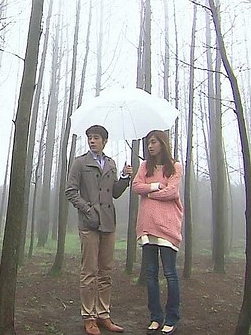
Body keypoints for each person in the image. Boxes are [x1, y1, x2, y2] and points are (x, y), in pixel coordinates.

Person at [65, 124, 133, 335]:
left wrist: (125, 178)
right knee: (89, 272)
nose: (92, 141)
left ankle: (104, 314)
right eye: (90, 138)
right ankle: (89, 317)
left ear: (104, 141)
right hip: (89, 224)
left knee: (106, 272)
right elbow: (70, 191)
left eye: (96, 138)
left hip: (108, 223)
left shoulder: (111, 163)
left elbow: (115, 193)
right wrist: (87, 209)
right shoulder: (80, 162)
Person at [132, 130, 183, 334]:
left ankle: (172, 317)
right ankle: (155, 317)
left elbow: (172, 191)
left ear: (162, 143)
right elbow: (136, 186)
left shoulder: (175, 166)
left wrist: (150, 194)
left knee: (170, 273)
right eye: (148, 143)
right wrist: (155, 185)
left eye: (153, 142)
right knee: (151, 274)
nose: (150, 146)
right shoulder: (145, 166)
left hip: (168, 227)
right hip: (147, 225)